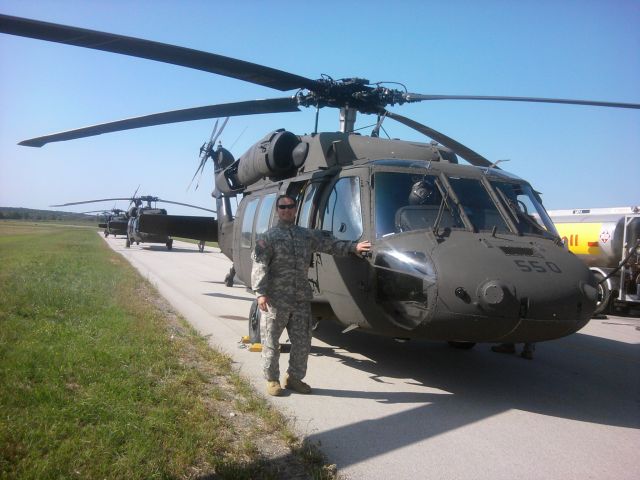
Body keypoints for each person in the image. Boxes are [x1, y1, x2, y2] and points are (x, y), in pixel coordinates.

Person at [251, 194, 371, 396]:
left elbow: (330, 245)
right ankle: (272, 379)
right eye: (283, 207)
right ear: (277, 210)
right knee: (271, 341)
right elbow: (260, 265)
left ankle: (294, 378)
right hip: (276, 300)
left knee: (303, 342)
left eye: (290, 206)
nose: (287, 209)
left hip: (300, 300)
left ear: (296, 209)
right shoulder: (268, 238)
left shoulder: (305, 235)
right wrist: (260, 293)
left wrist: (353, 247)